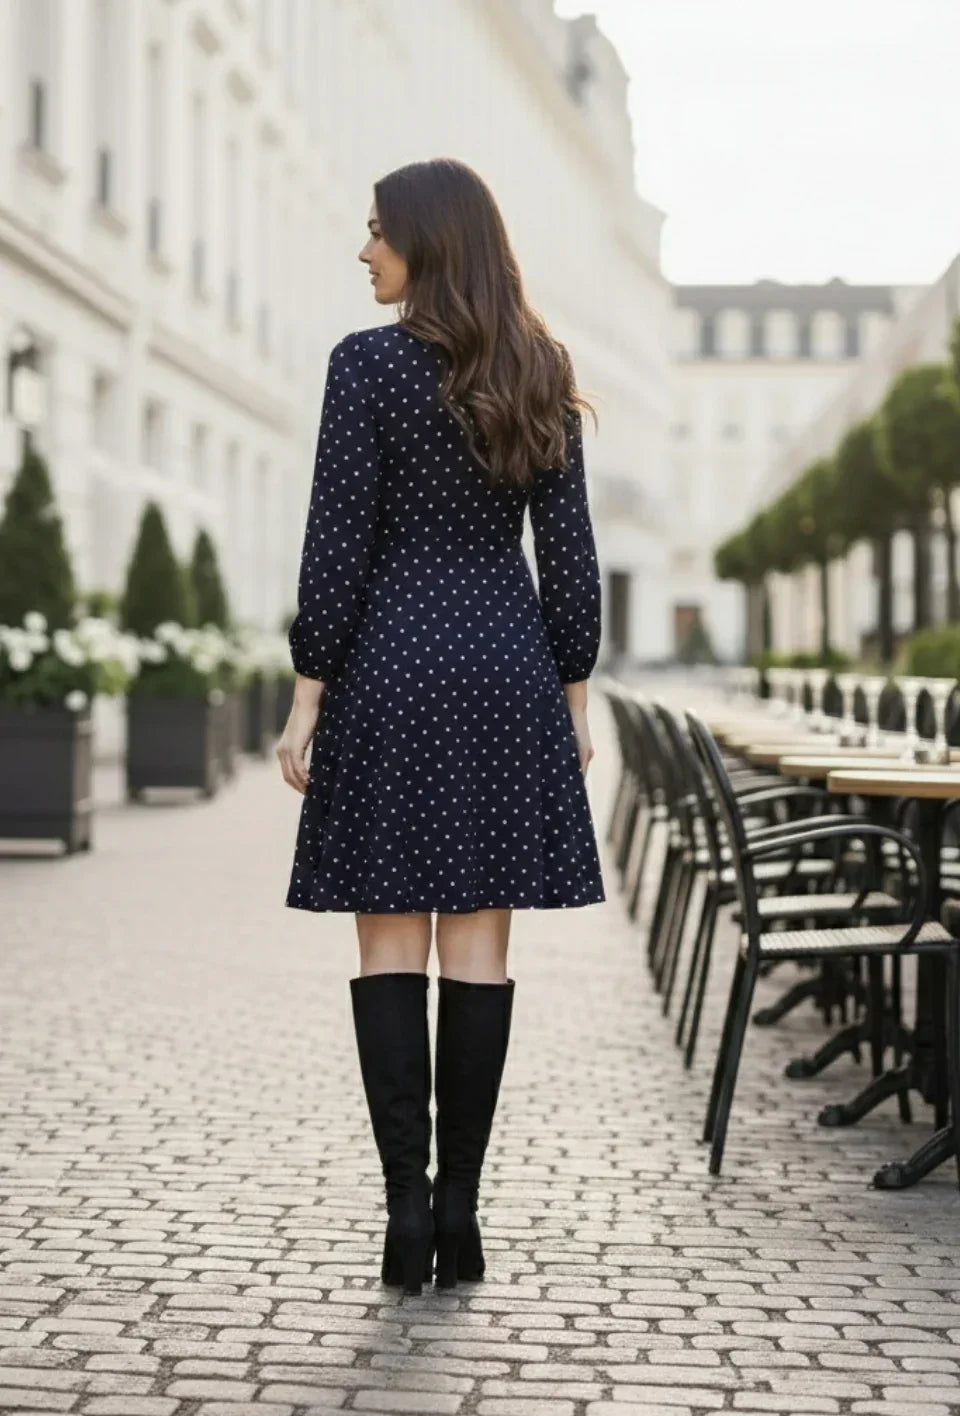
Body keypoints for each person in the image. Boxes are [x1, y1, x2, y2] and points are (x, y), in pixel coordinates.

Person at [276, 157, 606, 1297]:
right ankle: (463, 1219)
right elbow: (570, 567)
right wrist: (573, 700)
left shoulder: (362, 368)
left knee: (388, 947)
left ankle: (404, 1217)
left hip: (393, 670)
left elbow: (336, 546)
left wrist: (307, 692)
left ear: (425, 241)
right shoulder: (539, 370)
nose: (363, 249)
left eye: (377, 231)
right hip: (507, 671)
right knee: (480, 950)